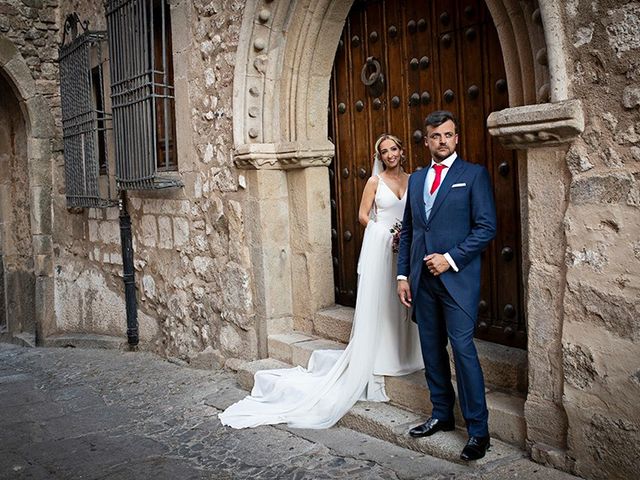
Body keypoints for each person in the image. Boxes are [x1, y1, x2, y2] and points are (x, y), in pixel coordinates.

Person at [219, 134, 423, 429]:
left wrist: (406, 236)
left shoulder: (414, 180)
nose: (390, 154)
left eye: (394, 149)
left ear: (402, 152)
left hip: (407, 248)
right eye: (384, 151)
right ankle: (383, 354)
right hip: (384, 248)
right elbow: (363, 217)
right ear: (379, 156)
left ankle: (407, 352)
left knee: (404, 300)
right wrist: (387, 234)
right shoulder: (374, 182)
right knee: (384, 302)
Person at [396, 111, 497, 461]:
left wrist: (450, 258)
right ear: (426, 141)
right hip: (422, 282)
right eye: (436, 136)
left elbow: (486, 228)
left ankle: (478, 432)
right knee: (431, 350)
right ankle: (441, 414)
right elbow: (410, 231)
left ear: (456, 138)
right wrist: (402, 276)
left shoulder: (473, 175)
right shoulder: (417, 178)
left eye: (448, 135)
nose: (443, 141)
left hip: (457, 280)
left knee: (463, 350)